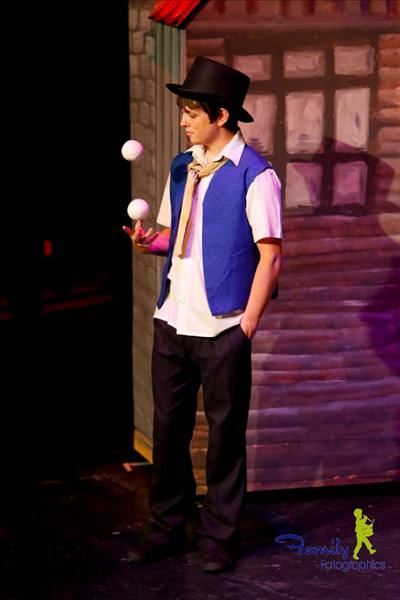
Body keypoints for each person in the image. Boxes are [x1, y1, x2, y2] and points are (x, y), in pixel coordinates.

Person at [123, 56, 282, 572]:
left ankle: (219, 536)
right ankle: (166, 527)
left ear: (220, 115)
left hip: (222, 328)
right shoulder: (182, 167)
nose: (184, 120)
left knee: (224, 437)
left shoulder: (255, 175)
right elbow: (177, 236)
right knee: (167, 433)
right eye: (184, 111)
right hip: (173, 320)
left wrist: (246, 326)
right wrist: (150, 242)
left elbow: (270, 256)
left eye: (191, 112)